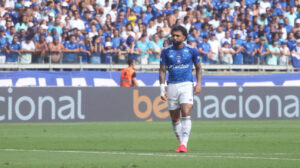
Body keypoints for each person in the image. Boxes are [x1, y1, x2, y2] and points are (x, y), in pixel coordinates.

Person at [159, 25, 202, 153]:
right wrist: (162, 88)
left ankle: (184, 144)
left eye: (178, 35)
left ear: (184, 37)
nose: (175, 38)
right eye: (173, 35)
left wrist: (198, 83)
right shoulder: (166, 51)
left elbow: (199, 68)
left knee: (186, 109)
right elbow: (162, 70)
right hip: (172, 85)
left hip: (187, 84)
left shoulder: (192, 50)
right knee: (174, 117)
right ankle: (181, 142)